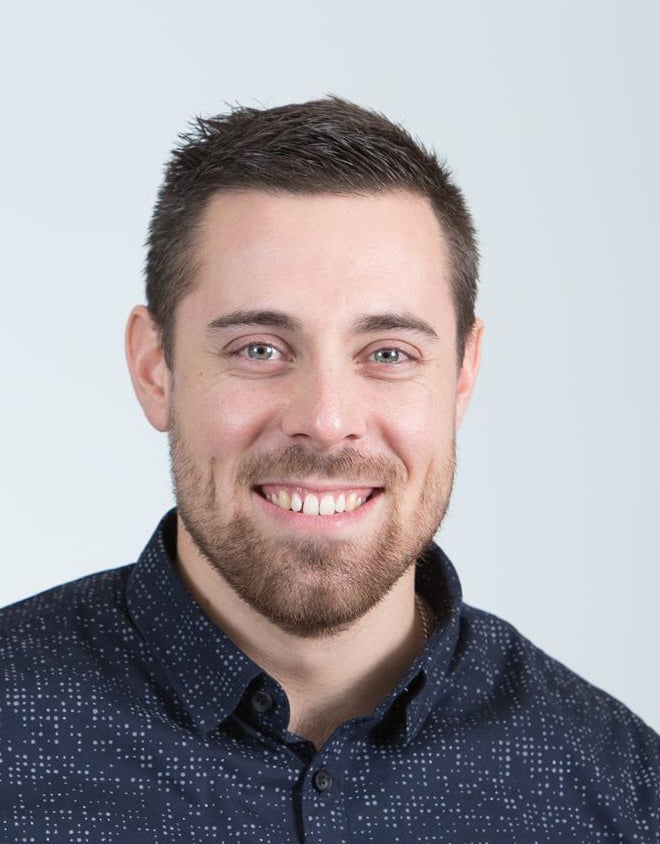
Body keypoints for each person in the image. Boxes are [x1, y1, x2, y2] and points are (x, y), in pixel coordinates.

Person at [1, 98, 658, 843]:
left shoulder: (623, 791)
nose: (325, 418)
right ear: (156, 368)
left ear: (463, 375)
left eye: (388, 354)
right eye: (259, 349)